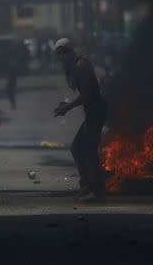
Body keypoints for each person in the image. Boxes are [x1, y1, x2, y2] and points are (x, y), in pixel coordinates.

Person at [53, 38, 107, 202]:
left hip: (96, 111)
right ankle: (87, 186)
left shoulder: (81, 65)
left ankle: (96, 191)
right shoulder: (72, 67)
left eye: (64, 52)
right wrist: (66, 105)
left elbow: (86, 95)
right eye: (59, 53)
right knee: (77, 149)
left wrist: (67, 108)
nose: (62, 56)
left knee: (89, 151)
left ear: (71, 51)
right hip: (91, 112)